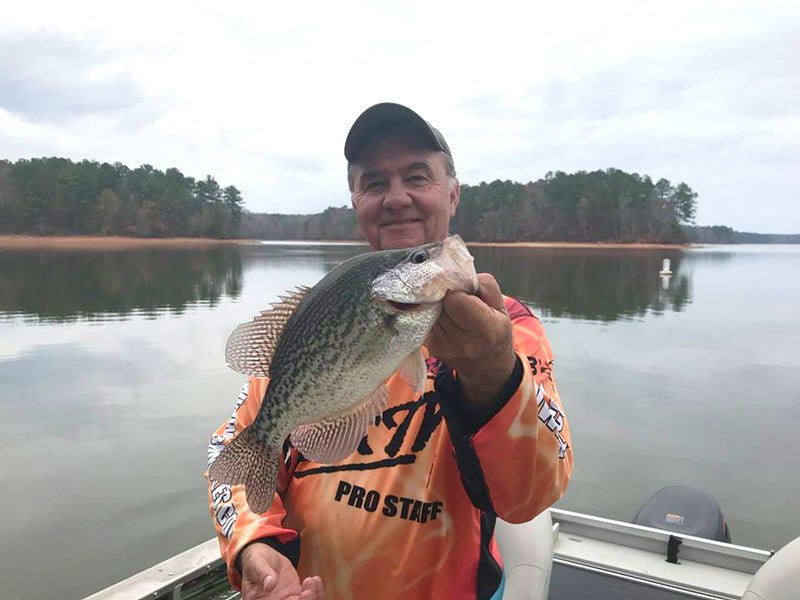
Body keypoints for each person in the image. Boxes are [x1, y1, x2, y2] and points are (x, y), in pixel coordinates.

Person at [206, 103, 573, 600]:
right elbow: (233, 456)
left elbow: (531, 494)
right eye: (374, 183)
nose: (396, 198)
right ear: (357, 201)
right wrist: (255, 547)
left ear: (453, 192)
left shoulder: (507, 329)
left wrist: (492, 372)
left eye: (417, 176)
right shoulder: (319, 321)